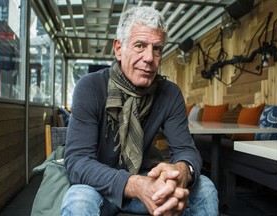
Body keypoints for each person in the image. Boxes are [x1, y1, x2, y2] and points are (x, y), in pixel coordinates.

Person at [61, 6, 218, 216]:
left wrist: (181, 170)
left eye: (157, 48)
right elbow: (78, 161)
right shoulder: (90, 87)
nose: (149, 58)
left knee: (205, 188)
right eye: (140, 45)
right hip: (98, 186)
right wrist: (135, 184)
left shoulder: (169, 93)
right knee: (79, 199)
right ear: (118, 48)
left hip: (147, 180)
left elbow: (186, 150)